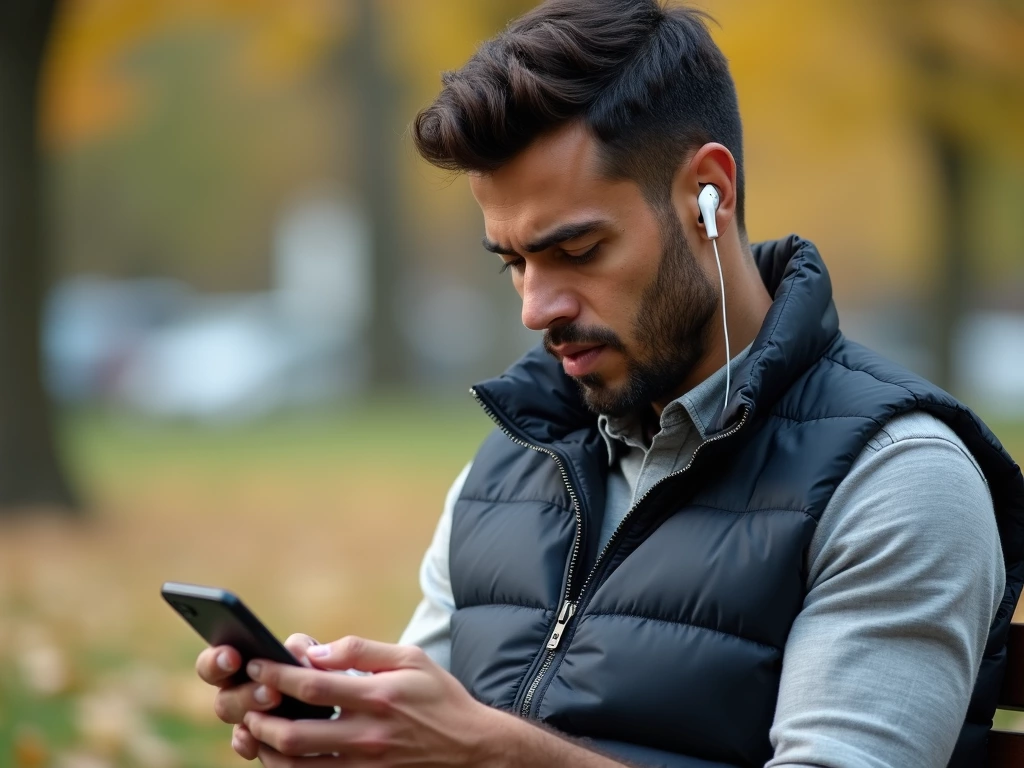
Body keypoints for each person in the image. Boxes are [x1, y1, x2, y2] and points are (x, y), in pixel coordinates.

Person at [195, 1, 1024, 766]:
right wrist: (342, 733)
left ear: (711, 193)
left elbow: (475, 746)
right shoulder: (505, 474)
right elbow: (440, 736)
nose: (535, 308)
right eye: (513, 262)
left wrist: (497, 753)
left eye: (577, 250)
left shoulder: (899, 480)